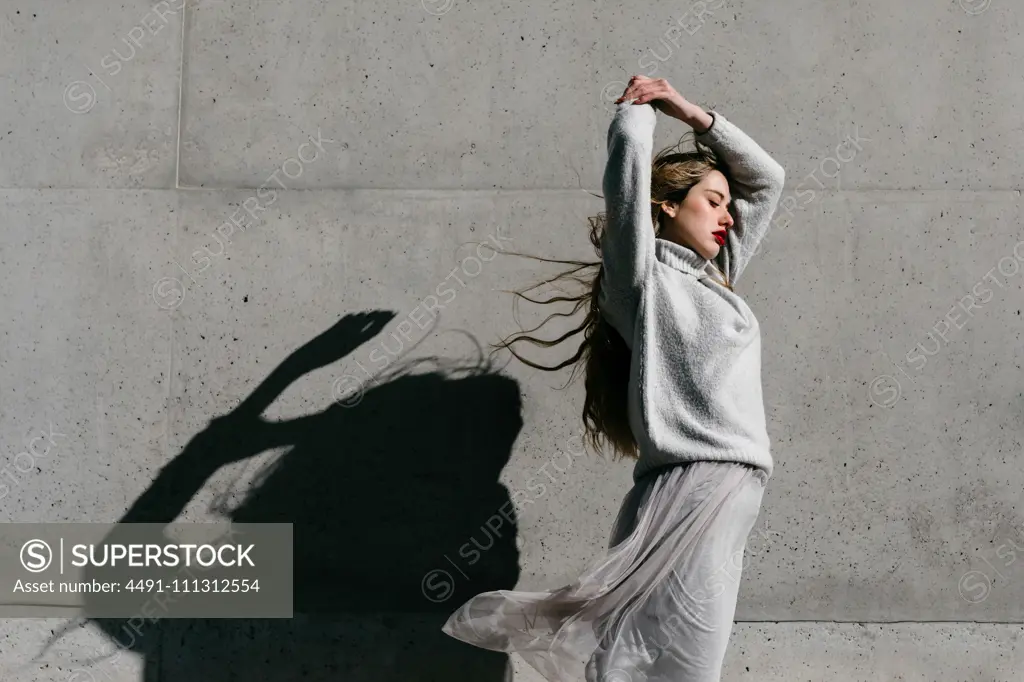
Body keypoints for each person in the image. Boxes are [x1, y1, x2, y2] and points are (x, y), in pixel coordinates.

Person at [441, 75, 786, 682]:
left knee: (660, 659)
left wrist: (692, 112)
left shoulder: (716, 278)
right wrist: (638, 116)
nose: (729, 216)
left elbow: (768, 180)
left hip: (729, 493)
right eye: (713, 201)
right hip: (692, 488)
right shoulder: (643, 285)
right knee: (666, 665)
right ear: (666, 208)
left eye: (729, 205)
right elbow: (624, 192)